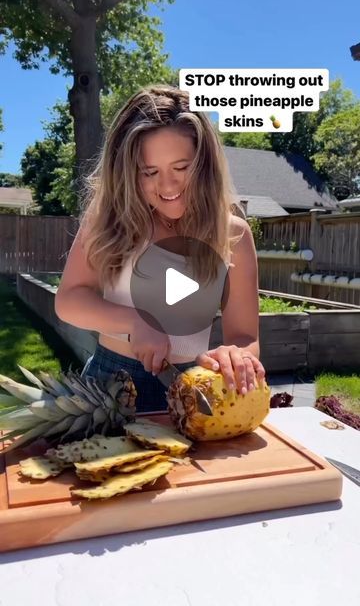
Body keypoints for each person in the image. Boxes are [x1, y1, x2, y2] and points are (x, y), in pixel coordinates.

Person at [55, 84, 266, 412]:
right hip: (107, 386)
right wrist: (136, 321)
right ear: (126, 171)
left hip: (193, 390)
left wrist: (236, 355)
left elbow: (245, 337)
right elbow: (69, 301)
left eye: (182, 168)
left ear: (204, 162)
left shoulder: (234, 236)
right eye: (149, 172)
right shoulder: (109, 220)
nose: (167, 186)